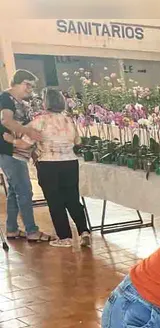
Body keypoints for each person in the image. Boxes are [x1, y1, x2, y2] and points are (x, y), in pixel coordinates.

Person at [27, 89, 92, 248]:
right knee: (72, 198)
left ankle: (65, 237)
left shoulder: (39, 121)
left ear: (45, 102)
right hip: (70, 162)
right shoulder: (69, 120)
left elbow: (25, 142)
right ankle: (84, 231)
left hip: (48, 163)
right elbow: (77, 141)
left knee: (55, 201)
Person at [0, 69, 52, 243]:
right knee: (24, 191)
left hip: (18, 151)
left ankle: (12, 229)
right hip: (9, 151)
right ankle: (31, 231)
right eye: (27, 85)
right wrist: (27, 130)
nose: (30, 89)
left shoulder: (19, 101)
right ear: (16, 82)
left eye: (32, 86)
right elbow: (6, 120)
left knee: (15, 191)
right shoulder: (5, 98)